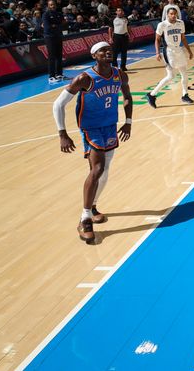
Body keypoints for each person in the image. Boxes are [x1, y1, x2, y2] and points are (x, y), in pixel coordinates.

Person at [52, 42, 133, 244]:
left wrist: (128, 122)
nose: (108, 53)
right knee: (97, 169)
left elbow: (127, 97)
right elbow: (58, 104)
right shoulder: (85, 79)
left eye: (110, 50)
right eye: (102, 51)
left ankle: (93, 205)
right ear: (94, 56)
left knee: (105, 171)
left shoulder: (119, 74)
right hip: (91, 128)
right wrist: (62, 133)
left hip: (110, 126)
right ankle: (85, 219)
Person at [146, 7, 194, 108]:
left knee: (184, 74)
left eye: (175, 14)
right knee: (171, 76)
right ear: (167, 14)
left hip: (179, 50)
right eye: (171, 14)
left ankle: (185, 95)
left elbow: (183, 38)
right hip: (168, 51)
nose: (173, 16)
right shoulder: (162, 25)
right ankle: (152, 95)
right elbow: (157, 40)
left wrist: (189, 51)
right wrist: (157, 52)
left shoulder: (180, 23)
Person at [42, 0, 65, 83]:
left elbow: (63, 25)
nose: (53, 6)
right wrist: (56, 26)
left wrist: (55, 26)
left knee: (59, 56)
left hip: (58, 36)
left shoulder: (59, 14)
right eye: (51, 5)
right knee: (52, 57)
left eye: (54, 4)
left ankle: (59, 74)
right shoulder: (45, 14)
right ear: (48, 6)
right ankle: (51, 76)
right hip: (49, 37)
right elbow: (47, 27)